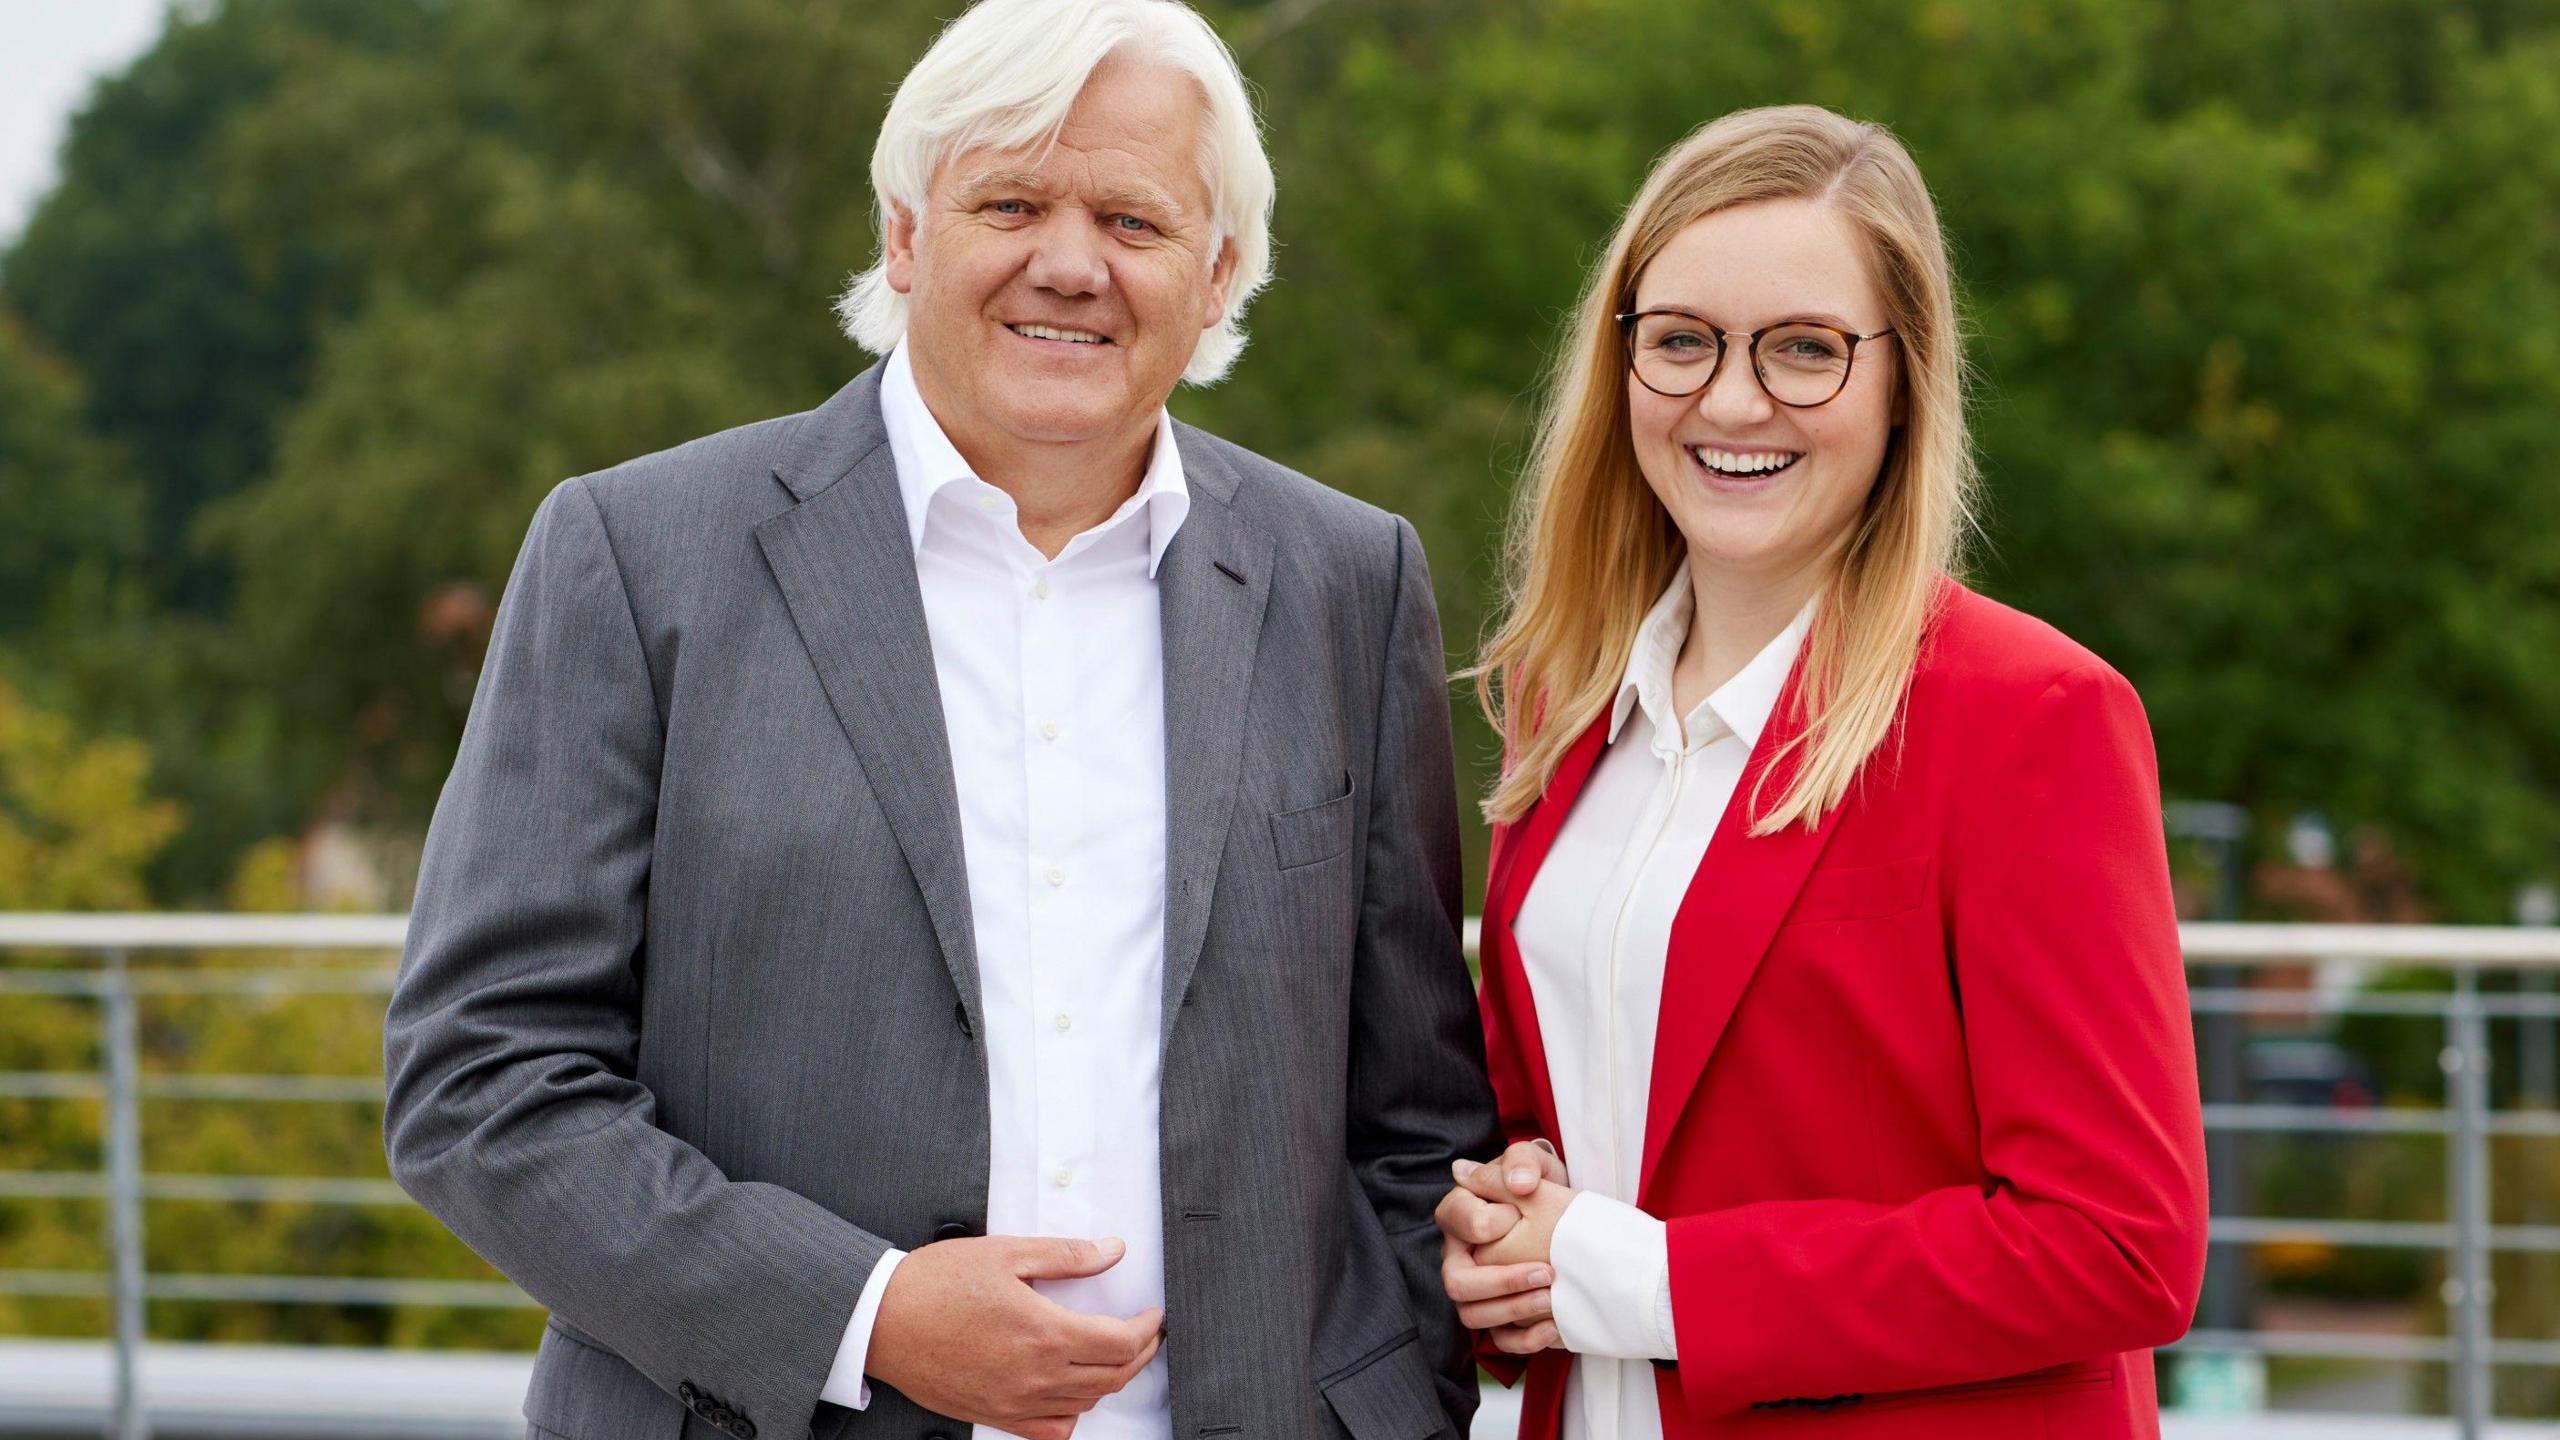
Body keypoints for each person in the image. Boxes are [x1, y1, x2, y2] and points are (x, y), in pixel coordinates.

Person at [381, 3, 1499, 1438]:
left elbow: (1414, 1111)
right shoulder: (637, 554)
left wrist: (1398, 1398)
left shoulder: (1348, 580)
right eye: (1011, 202)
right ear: (906, 234)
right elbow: (482, 1079)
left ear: (1219, 274)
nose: (1071, 263)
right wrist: (865, 1316)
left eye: (1134, 220)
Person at [1434, 106, 2209, 1440]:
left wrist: (1641, 1280)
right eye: (1679, 341)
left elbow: (2118, 1242)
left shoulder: (2031, 717)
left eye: (1804, 351)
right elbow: (1573, 1124)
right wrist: (1500, 1216)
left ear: (1903, 379)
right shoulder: (1559, 707)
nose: (1732, 402)